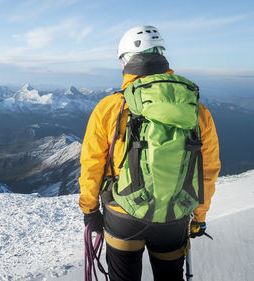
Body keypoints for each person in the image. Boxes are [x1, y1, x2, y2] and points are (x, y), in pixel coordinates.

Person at [79, 25, 221, 281]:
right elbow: (207, 169)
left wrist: (90, 210)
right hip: (174, 216)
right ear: (161, 55)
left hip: (122, 213)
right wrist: (199, 216)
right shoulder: (196, 110)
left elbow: (92, 163)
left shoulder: (110, 107)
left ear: (125, 61)